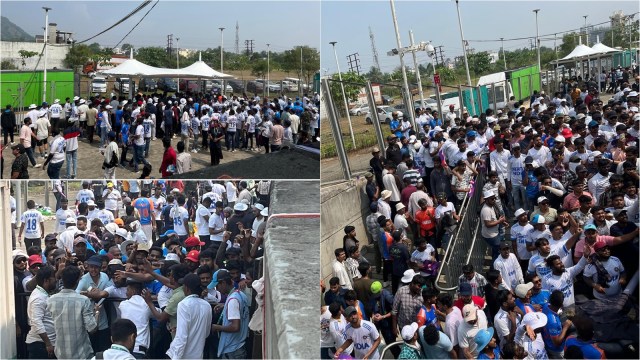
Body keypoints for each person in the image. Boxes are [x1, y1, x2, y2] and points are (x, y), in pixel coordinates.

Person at [47, 265, 99, 359]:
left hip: (61, 353)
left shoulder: (51, 300)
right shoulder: (83, 300)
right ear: (77, 281)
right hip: (81, 353)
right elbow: (92, 328)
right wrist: (97, 312)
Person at [166, 274, 212, 359]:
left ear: (187, 288)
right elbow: (206, 333)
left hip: (183, 356)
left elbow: (181, 337)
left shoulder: (183, 305)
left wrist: (176, 357)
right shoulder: (207, 305)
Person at [213, 269, 250, 358]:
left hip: (232, 350)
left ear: (223, 283)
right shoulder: (240, 294)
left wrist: (216, 327)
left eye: (217, 285)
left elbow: (235, 327)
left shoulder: (232, 300)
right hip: (239, 345)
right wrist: (225, 305)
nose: (216, 289)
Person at [25, 265, 57, 359]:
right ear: (46, 280)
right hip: (40, 346)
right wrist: (48, 344)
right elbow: (37, 322)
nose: (55, 280)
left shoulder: (43, 294)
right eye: (53, 278)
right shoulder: (38, 298)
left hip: (45, 345)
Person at [481, 190, 508, 260]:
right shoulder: (486, 210)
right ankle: (494, 268)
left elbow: (494, 218)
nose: (494, 200)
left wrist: (501, 222)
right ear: (486, 200)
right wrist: (499, 221)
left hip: (494, 232)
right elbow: (488, 224)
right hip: (491, 235)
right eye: (492, 199)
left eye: (494, 198)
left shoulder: (491, 206)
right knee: (498, 254)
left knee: (495, 251)